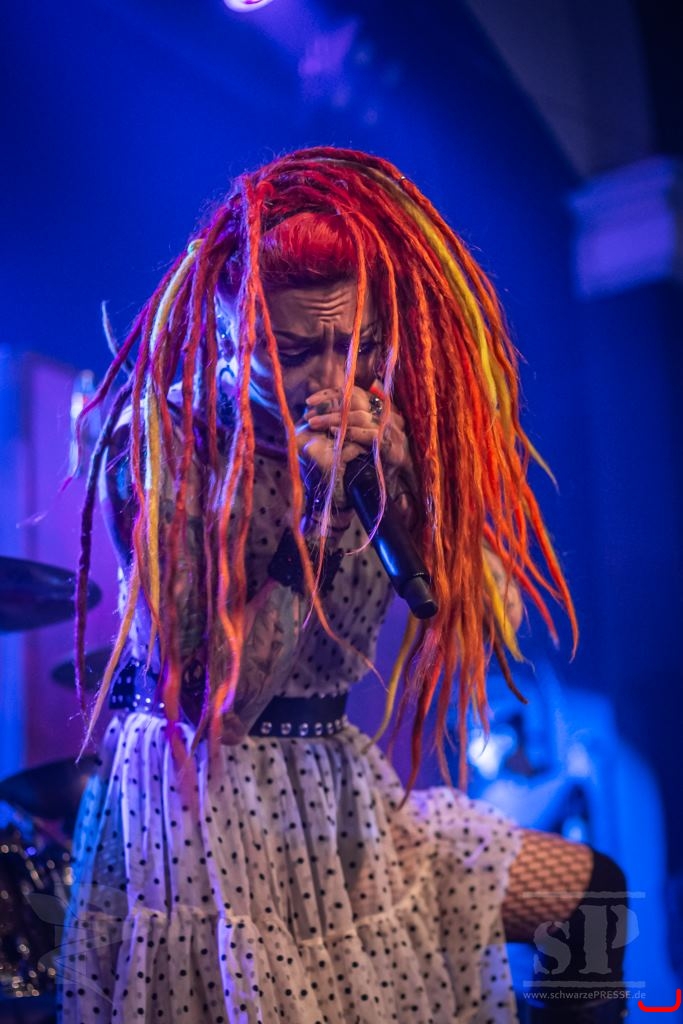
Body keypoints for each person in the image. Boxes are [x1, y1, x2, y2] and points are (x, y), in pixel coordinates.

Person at [58, 147, 627, 1023]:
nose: (330, 379)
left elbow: (463, 609)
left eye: (354, 346)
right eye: (291, 351)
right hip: (201, 820)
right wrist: (316, 523)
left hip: (333, 796)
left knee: (591, 895)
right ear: (226, 327)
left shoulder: (376, 420)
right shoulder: (165, 442)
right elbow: (216, 706)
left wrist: (405, 487)